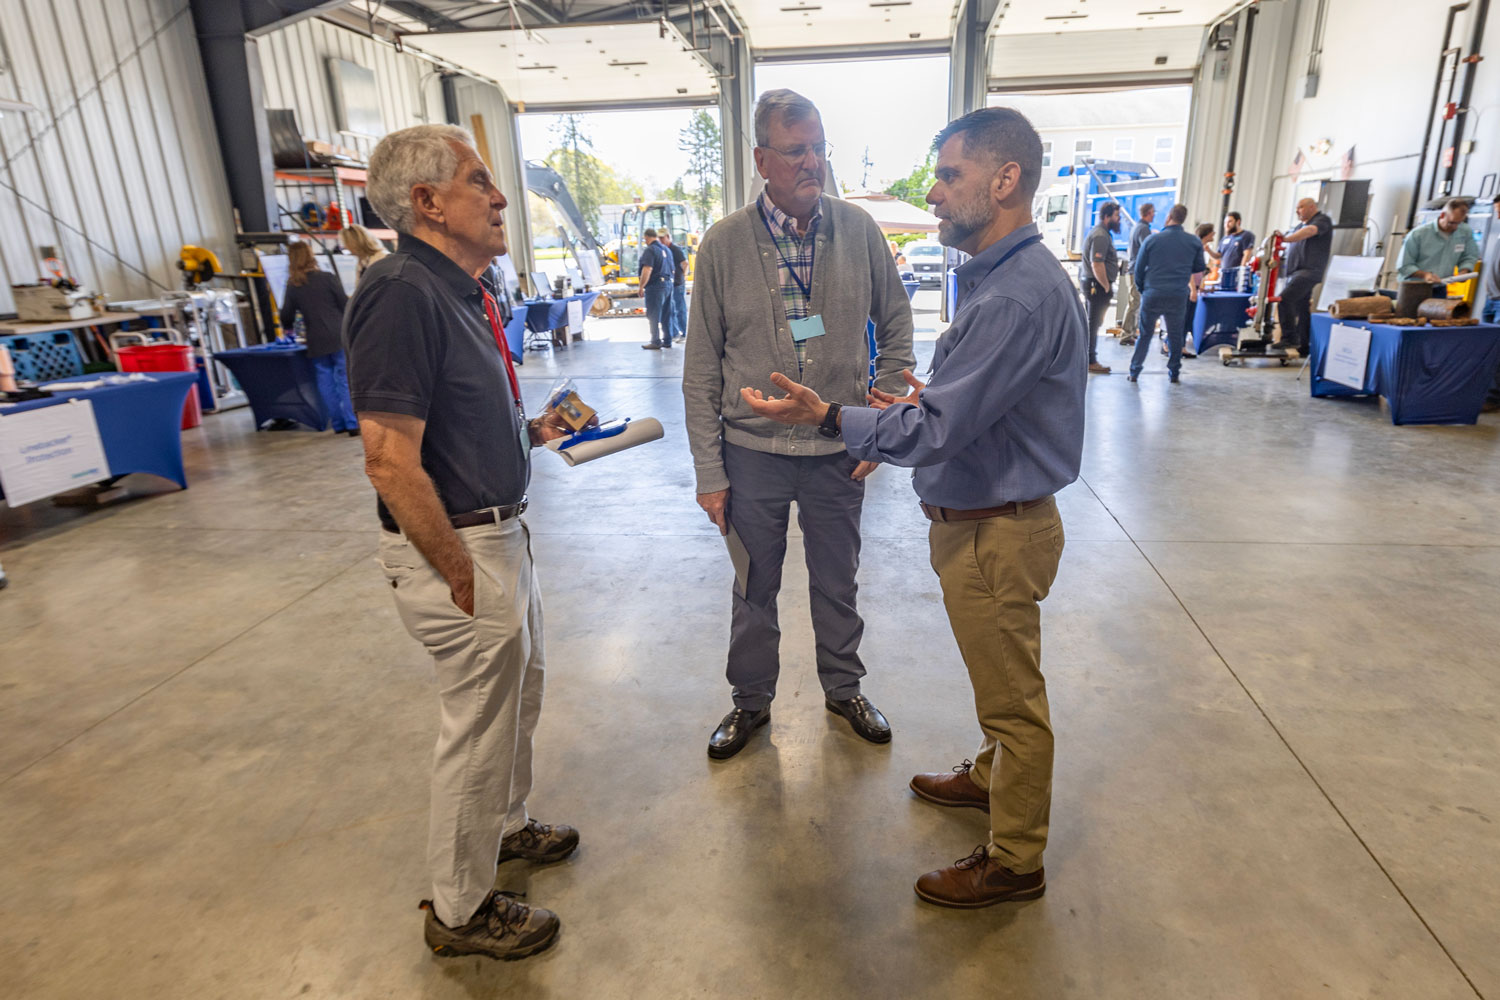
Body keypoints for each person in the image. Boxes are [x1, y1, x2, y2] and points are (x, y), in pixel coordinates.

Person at [739, 106, 1084, 908]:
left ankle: (1015, 860)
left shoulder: (1013, 298)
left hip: (997, 530)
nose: (931, 193)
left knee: (1013, 699)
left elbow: (936, 428)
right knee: (998, 678)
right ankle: (994, 776)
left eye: (949, 176)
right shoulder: (1001, 281)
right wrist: (921, 411)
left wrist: (830, 416)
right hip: (982, 515)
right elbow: (967, 406)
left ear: (1006, 182)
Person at [345, 123, 580, 962]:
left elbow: (452, 422)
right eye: (480, 180)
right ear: (428, 202)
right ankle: (460, 909)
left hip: (500, 534)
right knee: (476, 730)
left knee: (519, 700)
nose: (500, 195)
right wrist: (457, 572)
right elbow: (387, 458)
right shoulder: (402, 291)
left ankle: (506, 831)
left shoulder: (460, 288)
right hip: (464, 549)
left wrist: (528, 433)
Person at [682, 88, 916, 761]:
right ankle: (750, 702)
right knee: (753, 583)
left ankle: (844, 690)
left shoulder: (859, 230)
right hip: (750, 453)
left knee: (837, 578)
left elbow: (896, 323)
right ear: (762, 159)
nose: (812, 162)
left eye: (818, 147)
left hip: (836, 444)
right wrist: (709, 472)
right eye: (795, 152)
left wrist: (883, 409)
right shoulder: (724, 245)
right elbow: (701, 368)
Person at [279, 241, 357, 436]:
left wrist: (288, 330)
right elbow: (345, 304)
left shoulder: (294, 285)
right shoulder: (327, 278)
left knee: (326, 382)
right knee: (345, 380)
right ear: (311, 255)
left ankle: (338, 424)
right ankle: (352, 423)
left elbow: (286, 315)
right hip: (338, 335)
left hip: (315, 339)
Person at [1128, 203, 1205, 384]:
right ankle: (1174, 373)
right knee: (1175, 335)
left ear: (1169, 216)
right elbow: (1199, 267)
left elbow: (1138, 270)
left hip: (1152, 293)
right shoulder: (1193, 241)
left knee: (1145, 335)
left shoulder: (1152, 240)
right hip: (1177, 295)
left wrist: (1143, 289)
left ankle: (1134, 371)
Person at [1274, 197, 1333, 356]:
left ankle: (1290, 337)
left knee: (1284, 299)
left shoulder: (1321, 220)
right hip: (1295, 272)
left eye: (1300, 207)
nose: (1297, 211)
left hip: (1309, 272)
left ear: (1312, 207)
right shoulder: (1300, 226)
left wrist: (1286, 239)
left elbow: (1310, 231)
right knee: (1302, 307)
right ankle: (1304, 345)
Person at [1397, 197, 1480, 283]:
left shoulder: (1465, 231)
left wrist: (1464, 271)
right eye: (1451, 223)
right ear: (1442, 215)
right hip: (1414, 286)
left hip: (1441, 285)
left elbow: (1469, 256)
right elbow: (1404, 265)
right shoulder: (1418, 234)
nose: (1455, 227)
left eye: (1459, 223)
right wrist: (1425, 275)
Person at [1079, 200, 1120, 374]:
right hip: (1097, 286)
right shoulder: (1101, 236)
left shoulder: (1102, 233)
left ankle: (1086, 358)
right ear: (1106, 217)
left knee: (1093, 323)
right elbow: (1097, 264)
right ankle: (1090, 360)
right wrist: (1105, 286)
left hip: (1095, 284)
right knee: (1093, 324)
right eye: (1116, 216)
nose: (1118, 220)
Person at [1116, 202, 1155, 345]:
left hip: (1133, 269)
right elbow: (1148, 249)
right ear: (1148, 213)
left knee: (1135, 302)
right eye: (1153, 212)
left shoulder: (1137, 228)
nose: (1154, 215)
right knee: (1134, 303)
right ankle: (1126, 335)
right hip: (1137, 271)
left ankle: (1131, 332)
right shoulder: (1143, 229)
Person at [638, 227, 674, 350]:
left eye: (645, 239)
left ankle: (655, 341)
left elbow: (647, 269)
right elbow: (672, 269)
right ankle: (668, 340)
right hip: (668, 284)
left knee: (653, 315)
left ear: (647, 237)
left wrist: (641, 286)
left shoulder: (650, 250)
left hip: (655, 286)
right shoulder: (666, 250)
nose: (645, 241)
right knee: (666, 314)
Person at [660, 228, 689, 343]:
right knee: (670, 310)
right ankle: (674, 333)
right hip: (669, 284)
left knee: (680, 308)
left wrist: (683, 276)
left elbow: (685, 264)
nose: (661, 240)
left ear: (668, 237)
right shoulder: (664, 250)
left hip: (677, 284)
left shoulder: (675, 249)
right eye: (659, 238)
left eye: (662, 238)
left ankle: (684, 333)